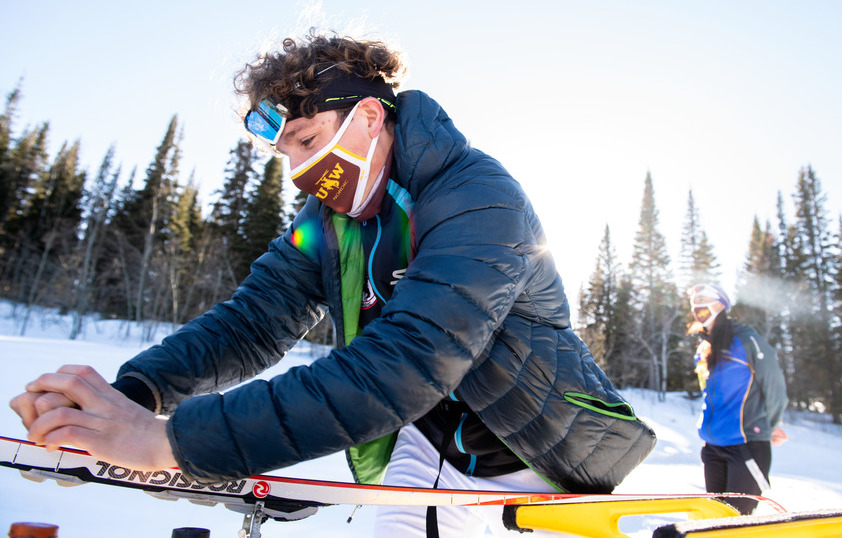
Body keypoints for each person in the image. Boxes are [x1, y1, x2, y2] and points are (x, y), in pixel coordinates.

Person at [11, 30, 656, 536]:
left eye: (306, 139)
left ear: (370, 118)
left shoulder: (478, 198)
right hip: (427, 436)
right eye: (284, 153)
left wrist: (165, 442)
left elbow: (402, 366)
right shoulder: (328, 219)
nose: (297, 170)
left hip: (535, 439)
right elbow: (253, 321)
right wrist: (130, 398)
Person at [687, 283, 788, 515]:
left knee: (737, 521)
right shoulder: (703, 349)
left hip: (746, 447)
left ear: (722, 304)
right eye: (695, 301)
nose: (698, 305)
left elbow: (774, 386)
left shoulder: (746, 340)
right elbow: (708, 394)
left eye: (704, 299)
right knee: (714, 520)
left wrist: (769, 426)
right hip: (712, 447)